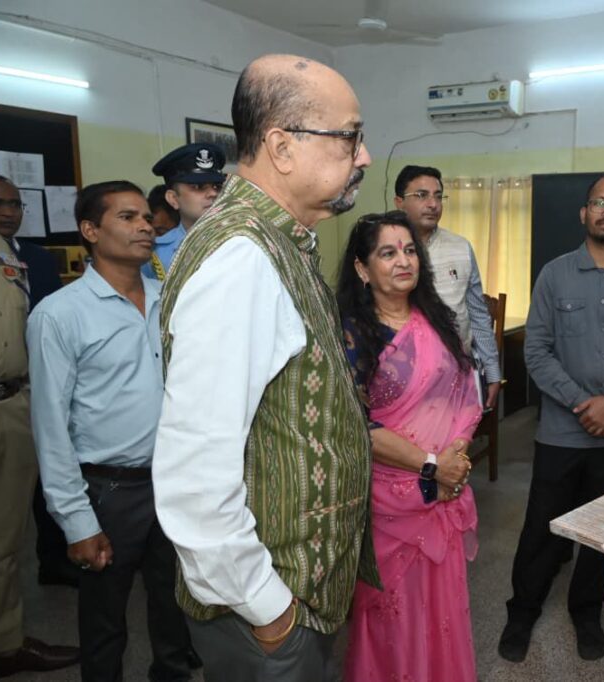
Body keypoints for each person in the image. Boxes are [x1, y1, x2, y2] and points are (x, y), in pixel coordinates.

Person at [152, 54, 377, 682]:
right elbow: (195, 476)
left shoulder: (279, 240)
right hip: (267, 617)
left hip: (293, 599)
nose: (362, 155)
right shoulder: (242, 256)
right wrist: (269, 610)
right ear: (281, 146)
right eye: (349, 137)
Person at [27, 181, 192, 681]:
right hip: (109, 490)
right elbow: (50, 427)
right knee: (104, 625)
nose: (145, 226)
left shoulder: (171, 300)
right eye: (127, 217)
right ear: (90, 230)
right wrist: (77, 521)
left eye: (146, 216)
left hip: (175, 481)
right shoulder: (60, 314)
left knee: (177, 613)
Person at [499, 176, 604, 663]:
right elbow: (537, 351)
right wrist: (585, 405)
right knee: (541, 528)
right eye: (599, 203)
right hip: (562, 432)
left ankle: (586, 611)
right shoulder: (554, 275)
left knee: (602, 531)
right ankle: (522, 611)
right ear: (584, 213)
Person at [337, 210, 480, 681]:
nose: (404, 260)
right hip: (389, 500)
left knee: (442, 607)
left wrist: (455, 456)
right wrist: (432, 465)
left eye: (410, 250)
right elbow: (355, 424)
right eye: (388, 252)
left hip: (445, 486)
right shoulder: (354, 334)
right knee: (392, 616)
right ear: (363, 268)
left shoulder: (436, 320)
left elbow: (465, 395)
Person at [0, 180, 78, 678]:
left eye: (13, 204)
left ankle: (3, 644)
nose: (7, 212)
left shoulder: (15, 258)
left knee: (2, 541)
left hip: (10, 404)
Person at [393, 165, 502, 409]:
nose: (433, 204)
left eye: (438, 196)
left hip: (455, 376)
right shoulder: (383, 249)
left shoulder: (460, 247)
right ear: (399, 202)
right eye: (421, 195)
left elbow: (477, 314)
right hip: (400, 380)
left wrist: (492, 371)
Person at [141, 143, 226, 280]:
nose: (213, 193)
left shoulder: (242, 241)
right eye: (199, 187)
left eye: (217, 186)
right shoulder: (155, 253)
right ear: (173, 199)